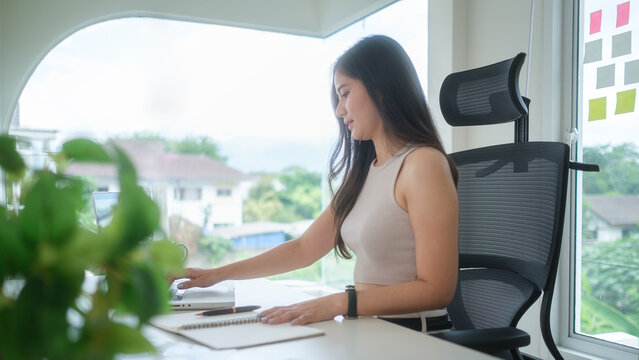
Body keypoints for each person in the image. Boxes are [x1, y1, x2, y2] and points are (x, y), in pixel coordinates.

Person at [176, 35, 459, 333]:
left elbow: (437, 289)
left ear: (380, 89)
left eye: (345, 93)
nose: (339, 110)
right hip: (368, 328)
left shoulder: (423, 165)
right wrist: (216, 275)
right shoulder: (364, 172)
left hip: (416, 334)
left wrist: (339, 302)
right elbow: (303, 249)